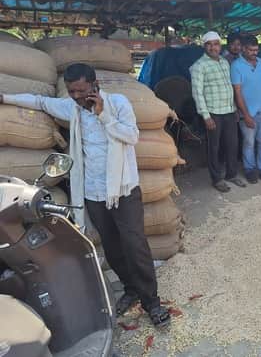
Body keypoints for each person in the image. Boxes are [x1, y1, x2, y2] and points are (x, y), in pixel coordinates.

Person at [0, 63, 170, 327]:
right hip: (93, 192)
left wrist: (103, 115)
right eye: (72, 91)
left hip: (122, 190)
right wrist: (5, 98)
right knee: (112, 246)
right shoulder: (73, 109)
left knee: (134, 245)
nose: (77, 96)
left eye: (81, 90)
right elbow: (41, 102)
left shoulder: (118, 103)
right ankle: (130, 289)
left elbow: (131, 136)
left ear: (94, 85)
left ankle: (152, 302)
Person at [190, 31, 246, 193]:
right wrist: (205, 116)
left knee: (232, 144)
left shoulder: (224, 62)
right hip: (213, 112)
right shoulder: (199, 66)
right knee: (214, 147)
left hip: (229, 110)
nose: (212, 47)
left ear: (220, 46)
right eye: (209, 44)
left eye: (215, 44)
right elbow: (197, 93)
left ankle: (231, 174)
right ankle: (216, 179)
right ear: (204, 46)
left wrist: (235, 108)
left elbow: (229, 87)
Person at [231, 35, 261, 184]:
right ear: (243, 49)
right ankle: (249, 169)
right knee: (249, 143)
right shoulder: (236, 66)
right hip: (247, 113)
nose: (254, 53)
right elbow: (237, 92)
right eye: (251, 50)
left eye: (256, 50)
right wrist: (246, 115)